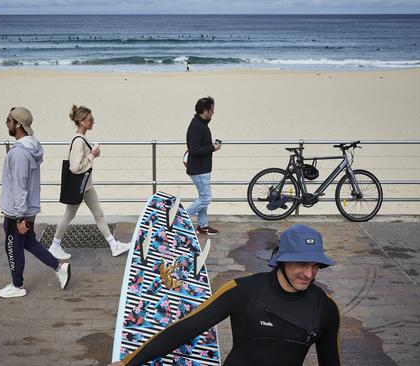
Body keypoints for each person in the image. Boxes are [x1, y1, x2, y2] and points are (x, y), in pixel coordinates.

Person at [108, 224, 341, 366]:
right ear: (282, 260)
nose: (309, 273)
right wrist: (129, 363)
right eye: (302, 264)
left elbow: (331, 363)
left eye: (316, 266)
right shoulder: (242, 291)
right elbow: (185, 328)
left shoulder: (325, 308)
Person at [0, 107, 71, 298]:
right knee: (29, 242)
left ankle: (17, 286)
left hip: (18, 212)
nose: (6, 123)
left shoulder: (20, 153)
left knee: (12, 246)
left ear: (18, 124)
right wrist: (4, 198)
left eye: (9, 120)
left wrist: (20, 218)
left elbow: (20, 185)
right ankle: (59, 266)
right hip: (22, 207)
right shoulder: (30, 146)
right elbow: (17, 183)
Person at [48, 105, 132, 260]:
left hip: (86, 185)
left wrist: (92, 155)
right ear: (81, 122)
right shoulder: (79, 141)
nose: (93, 121)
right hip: (80, 185)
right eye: (90, 119)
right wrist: (92, 155)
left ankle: (114, 246)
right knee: (69, 215)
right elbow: (75, 167)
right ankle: (54, 246)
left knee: (98, 214)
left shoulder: (81, 138)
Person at [186, 96, 221, 236]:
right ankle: (180, 218)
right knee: (206, 198)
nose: (213, 113)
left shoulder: (200, 124)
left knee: (203, 197)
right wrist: (212, 148)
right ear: (205, 110)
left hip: (202, 168)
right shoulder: (197, 126)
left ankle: (203, 226)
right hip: (198, 169)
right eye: (212, 110)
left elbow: (198, 146)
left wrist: (211, 146)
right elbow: (194, 149)